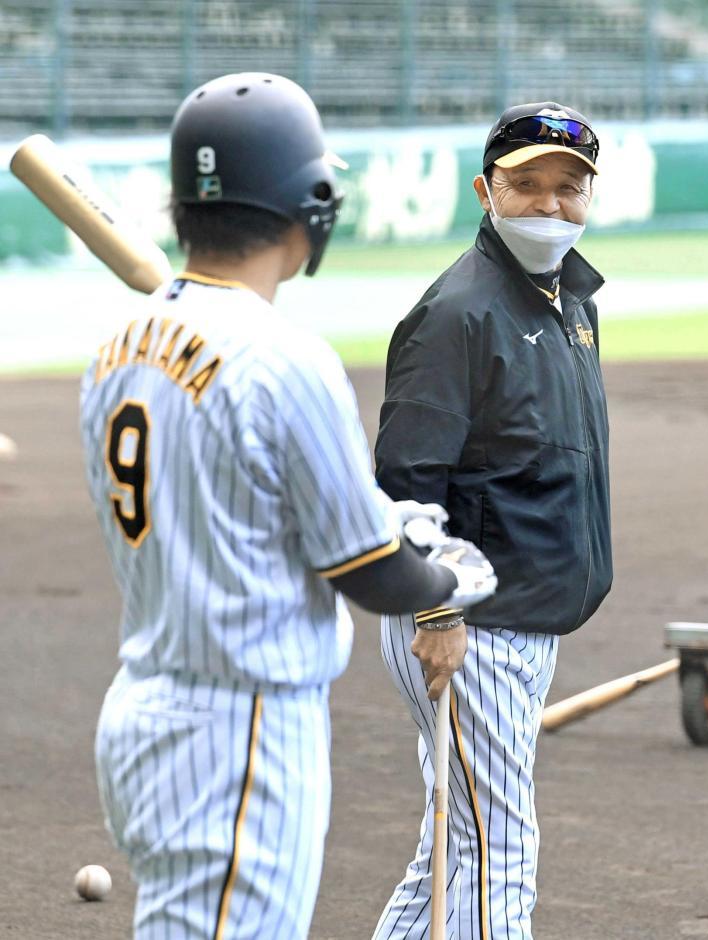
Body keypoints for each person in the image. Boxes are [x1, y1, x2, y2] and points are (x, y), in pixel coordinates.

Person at [78, 72, 496, 939]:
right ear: (312, 206)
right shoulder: (286, 359)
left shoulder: (117, 345)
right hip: (242, 729)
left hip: (145, 713)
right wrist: (441, 574)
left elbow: (245, 506)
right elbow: (365, 570)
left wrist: (389, 537)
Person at [373, 102, 612, 939]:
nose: (549, 204)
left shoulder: (570, 300)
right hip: (472, 618)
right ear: (486, 190)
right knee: (498, 851)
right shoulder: (458, 313)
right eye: (527, 185)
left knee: (457, 845)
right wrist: (438, 610)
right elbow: (406, 480)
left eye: (567, 188)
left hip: (525, 619)